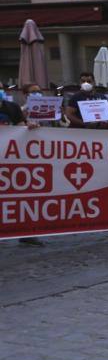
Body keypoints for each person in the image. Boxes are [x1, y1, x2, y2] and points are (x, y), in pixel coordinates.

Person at [1, 87, 43, 246]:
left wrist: (29, 127)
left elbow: (20, 127)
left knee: (19, 196)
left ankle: (25, 232)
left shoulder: (12, 108)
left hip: (11, 159)